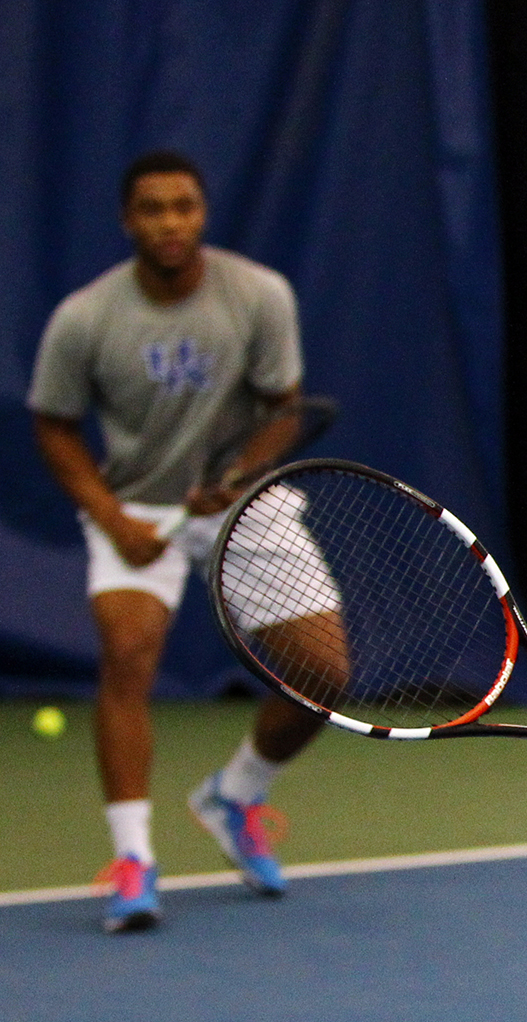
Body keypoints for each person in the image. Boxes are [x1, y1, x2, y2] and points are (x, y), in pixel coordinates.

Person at [29, 151, 324, 933]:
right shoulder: (85, 317)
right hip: (135, 506)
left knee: (322, 677)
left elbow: (283, 410)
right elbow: (54, 427)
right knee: (127, 655)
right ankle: (133, 860)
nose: (170, 222)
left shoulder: (259, 295)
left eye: (184, 207)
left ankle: (236, 797)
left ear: (203, 213)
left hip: (239, 501)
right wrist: (114, 516)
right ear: (129, 221)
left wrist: (235, 477)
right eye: (153, 209)